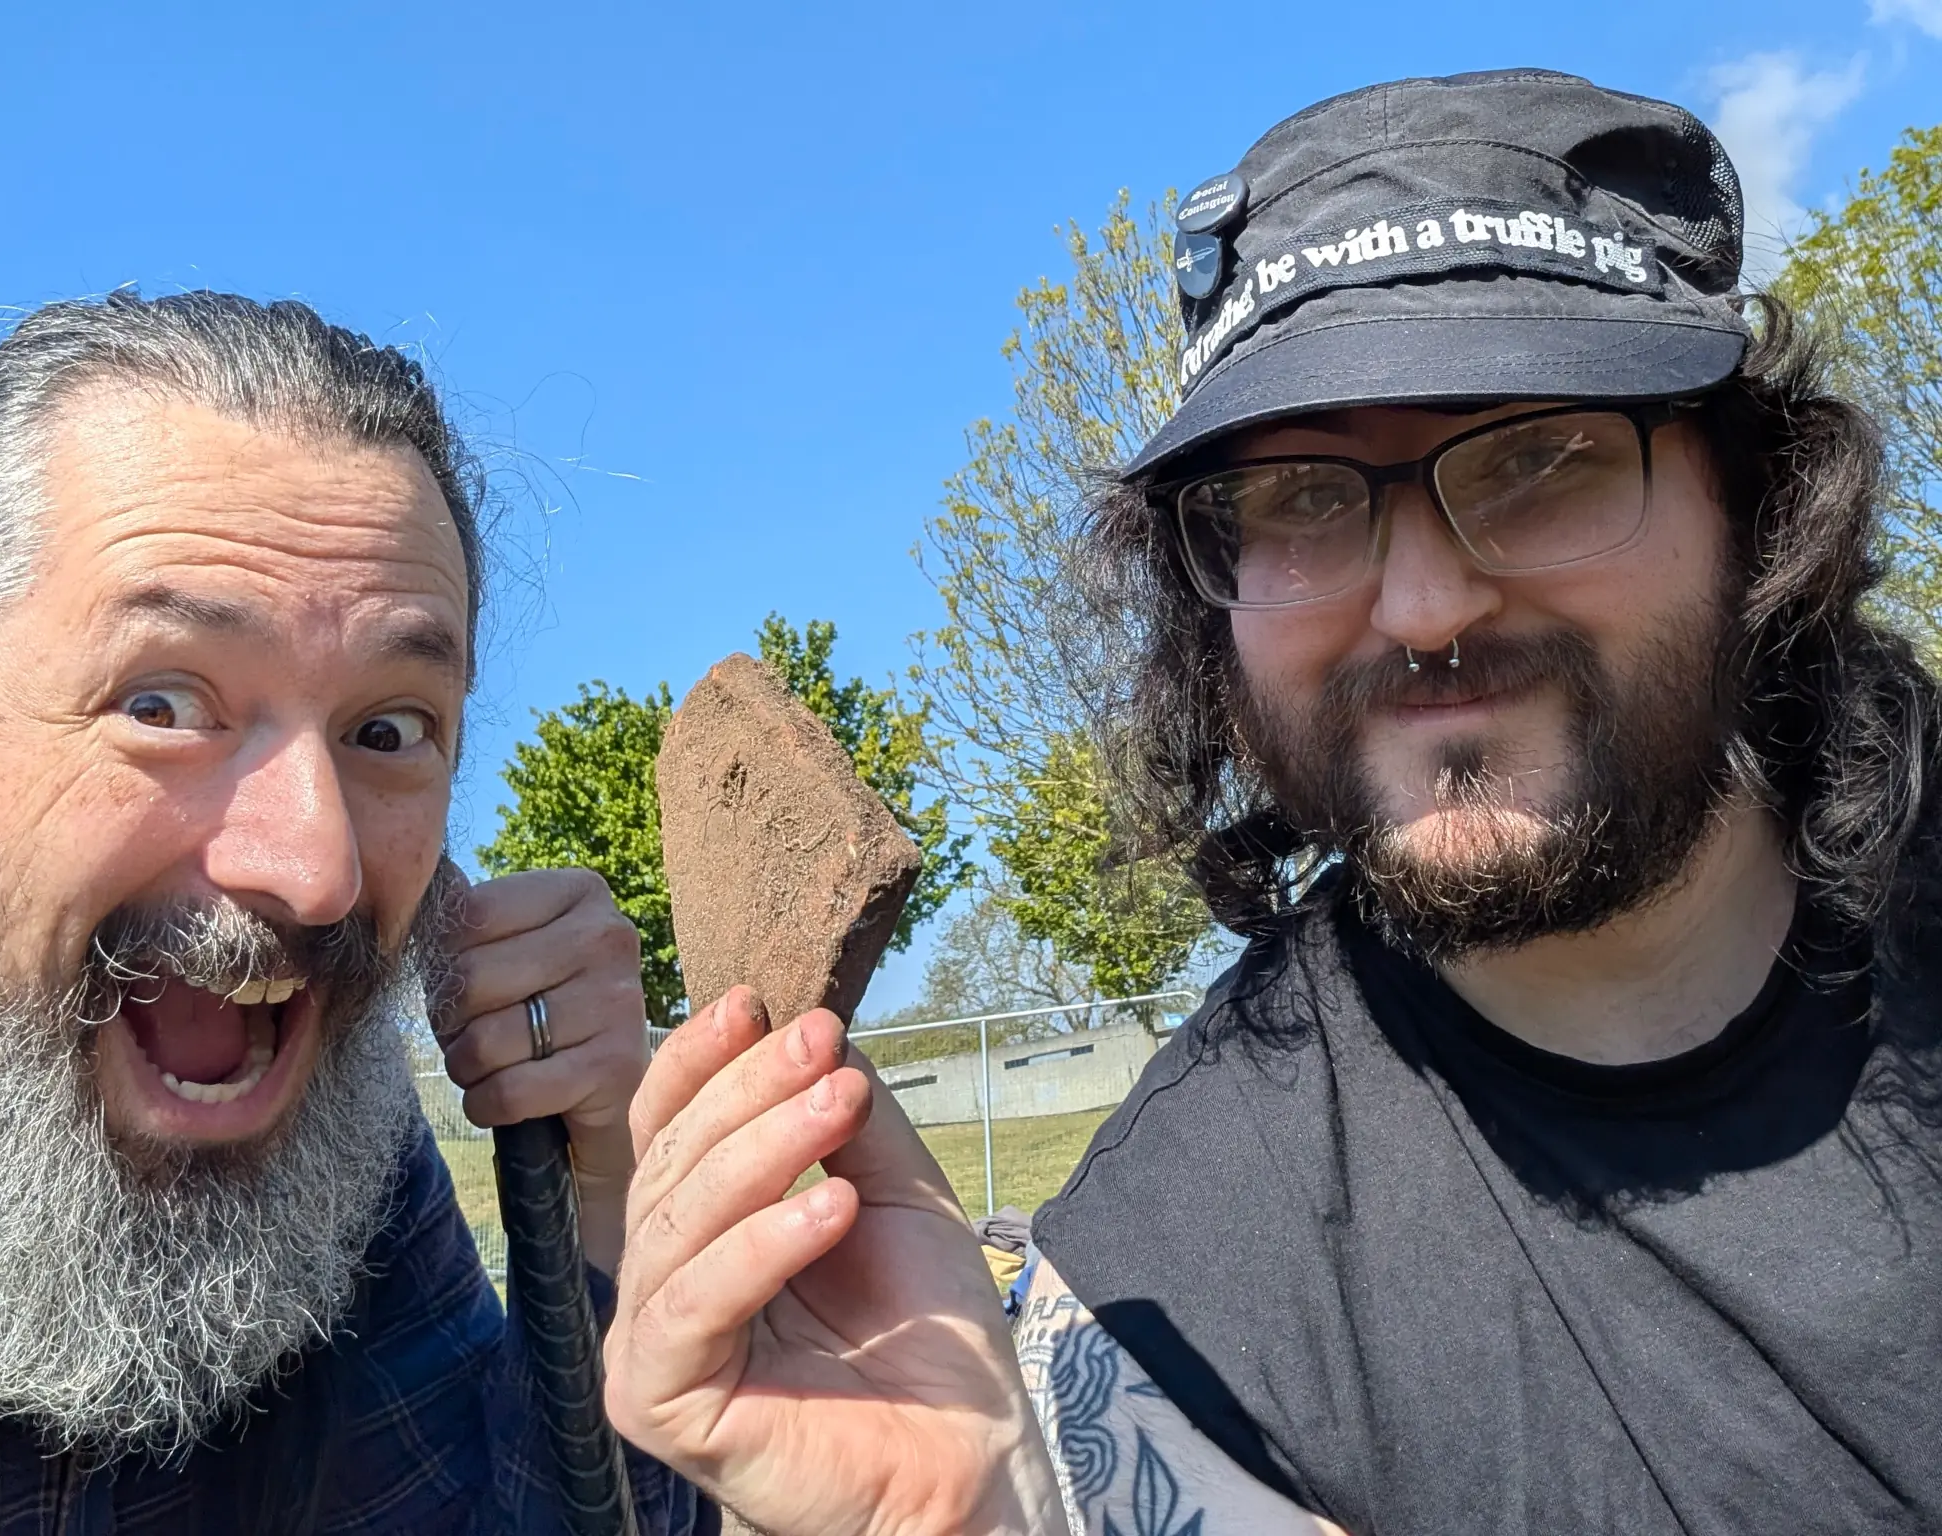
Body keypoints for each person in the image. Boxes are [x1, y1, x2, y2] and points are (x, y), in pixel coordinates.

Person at [603, 69, 1942, 1535]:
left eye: (1542, 459)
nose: (1424, 603)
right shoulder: (1172, 1280)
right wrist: (983, 1512)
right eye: (1304, 500)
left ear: (1751, 500)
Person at [0, 291, 708, 1533]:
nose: (316, 867)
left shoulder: (340, 1158)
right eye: (162, 705)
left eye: (387, 731)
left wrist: (605, 1204)